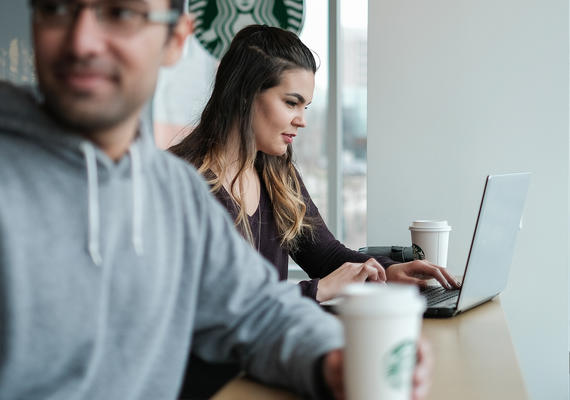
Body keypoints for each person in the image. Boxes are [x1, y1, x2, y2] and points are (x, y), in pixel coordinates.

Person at [0, 1, 432, 399]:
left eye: (120, 13)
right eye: (56, 7)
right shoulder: (192, 180)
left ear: (176, 39)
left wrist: (331, 361)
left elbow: (255, 312)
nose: (81, 41)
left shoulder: (174, 192)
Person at [170, 25, 461, 304]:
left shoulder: (277, 173)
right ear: (245, 94)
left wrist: (388, 271)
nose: (302, 120)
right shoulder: (179, 179)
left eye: (305, 106)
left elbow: (325, 256)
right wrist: (319, 290)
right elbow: (213, 306)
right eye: (291, 103)